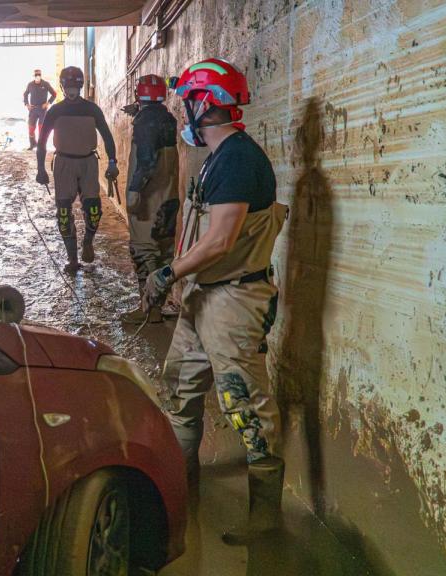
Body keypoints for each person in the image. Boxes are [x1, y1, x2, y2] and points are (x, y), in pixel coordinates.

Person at [143, 58, 288, 542]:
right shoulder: (217, 160)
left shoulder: (241, 160)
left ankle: (265, 523)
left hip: (234, 300)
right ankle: (183, 497)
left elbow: (221, 240)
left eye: (188, 100)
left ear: (203, 104)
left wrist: (167, 272)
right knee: (180, 394)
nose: (184, 109)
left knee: (244, 406)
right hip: (204, 296)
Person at [36, 66, 119, 273]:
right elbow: (42, 141)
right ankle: (72, 258)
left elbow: (107, 136)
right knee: (63, 213)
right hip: (64, 163)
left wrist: (112, 162)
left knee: (93, 210)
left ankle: (88, 242)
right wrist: (41, 169)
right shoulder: (55, 110)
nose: (72, 89)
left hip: (88, 162)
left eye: (75, 86)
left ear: (80, 86)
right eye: (68, 85)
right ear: (63, 87)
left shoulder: (92, 110)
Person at [119, 74, 181, 324]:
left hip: (149, 201)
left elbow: (146, 161)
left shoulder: (145, 123)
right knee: (164, 253)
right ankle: (157, 306)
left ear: (138, 95)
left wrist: (134, 192)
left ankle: (147, 310)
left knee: (143, 252)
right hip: (169, 200)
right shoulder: (167, 118)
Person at [23, 69, 56, 150]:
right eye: (36, 75)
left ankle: (41, 145)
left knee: (41, 129)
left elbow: (54, 94)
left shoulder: (45, 84)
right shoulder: (30, 85)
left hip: (42, 109)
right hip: (33, 110)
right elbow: (25, 94)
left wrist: (48, 103)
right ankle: (33, 144)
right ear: (33, 76)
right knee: (31, 128)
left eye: (39, 75)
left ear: (41, 75)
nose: (37, 76)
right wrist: (27, 104)